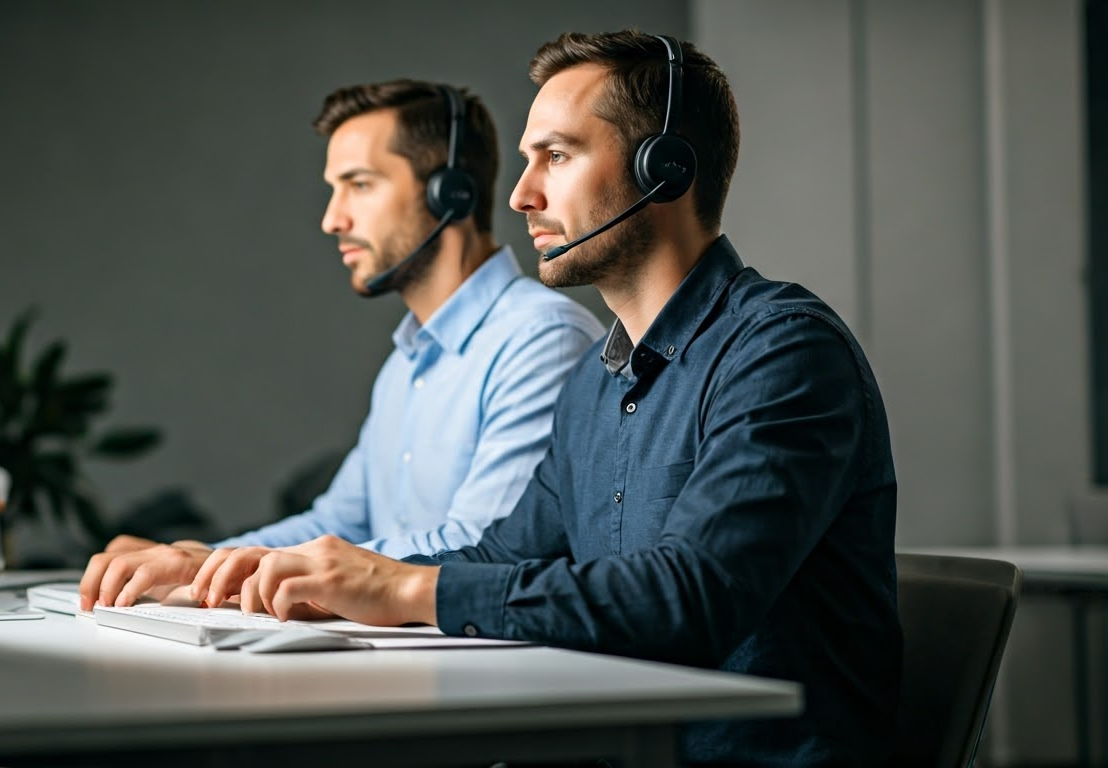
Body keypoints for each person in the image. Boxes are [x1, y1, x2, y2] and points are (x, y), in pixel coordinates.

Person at [188, 31, 901, 767]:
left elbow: (688, 598)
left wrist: (401, 586)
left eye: (556, 157)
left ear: (666, 170)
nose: (523, 195)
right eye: (528, 161)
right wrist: (320, 587)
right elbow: (503, 556)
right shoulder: (595, 382)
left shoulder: (782, 352)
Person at [79, 80, 604, 611]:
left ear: (451, 193)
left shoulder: (542, 340)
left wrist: (228, 569)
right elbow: (337, 522)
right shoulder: (407, 364)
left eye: (359, 184)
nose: (333, 219)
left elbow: (482, 550)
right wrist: (201, 562)